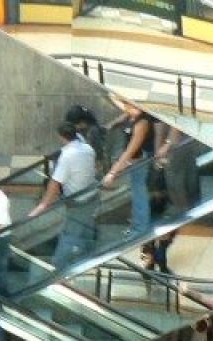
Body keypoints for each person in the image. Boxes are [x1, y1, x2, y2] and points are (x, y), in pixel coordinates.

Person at [30, 122, 98, 269]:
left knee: (70, 233)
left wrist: (43, 205)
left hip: (78, 201)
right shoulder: (88, 149)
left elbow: (55, 183)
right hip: (93, 195)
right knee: (86, 228)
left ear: (61, 137)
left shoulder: (66, 156)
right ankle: (87, 256)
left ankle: (59, 266)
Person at [103, 101, 157, 237]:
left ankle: (140, 228)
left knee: (139, 192)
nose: (127, 108)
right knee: (136, 191)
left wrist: (113, 172)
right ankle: (136, 225)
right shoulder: (130, 115)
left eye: (129, 105)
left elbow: (130, 150)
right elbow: (120, 117)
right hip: (134, 159)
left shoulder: (142, 122)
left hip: (140, 160)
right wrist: (111, 125)